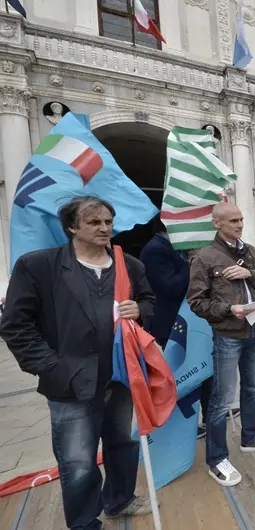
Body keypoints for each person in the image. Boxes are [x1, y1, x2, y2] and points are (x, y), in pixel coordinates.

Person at [0, 196, 156, 528]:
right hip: (70, 383)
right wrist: (53, 367)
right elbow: (16, 325)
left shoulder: (129, 264)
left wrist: (140, 310)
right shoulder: (40, 266)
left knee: (122, 443)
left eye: (108, 221)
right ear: (73, 227)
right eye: (95, 222)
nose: (104, 228)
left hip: (120, 377)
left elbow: (149, 302)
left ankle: (119, 499)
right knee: (78, 460)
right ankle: (85, 522)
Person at [187, 202, 255, 487]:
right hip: (228, 335)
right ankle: (216, 459)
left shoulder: (249, 251)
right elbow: (196, 302)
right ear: (217, 223)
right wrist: (230, 309)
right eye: (233, 221)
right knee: (222, 399)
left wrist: (249, 274)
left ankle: (249, 436)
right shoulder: (205, 257)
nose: (239, 225)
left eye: (241, 219)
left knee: (252, 388)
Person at [140, 217, 223, 440]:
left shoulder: (176, 248)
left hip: (193, 322)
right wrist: (192, 263)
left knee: (205, 371)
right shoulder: (154, 251)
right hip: (171, 326)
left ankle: (210, 414)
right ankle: (182, 425)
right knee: (178, 376)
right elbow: (172, 286)